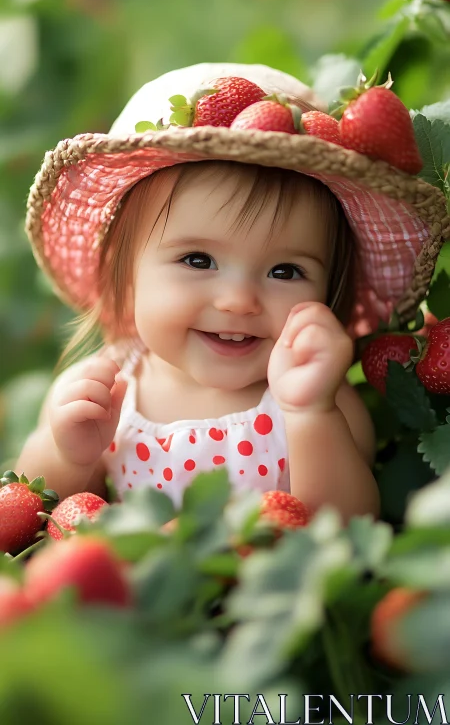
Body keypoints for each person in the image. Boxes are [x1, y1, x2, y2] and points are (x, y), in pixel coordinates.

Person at [16, 63, 447, 523]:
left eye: (285, 270)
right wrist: (68, 455)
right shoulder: (109, 389)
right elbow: (37, 517)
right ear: (126, 273)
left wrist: (309, 414)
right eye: (198, 261)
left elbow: (346, 523)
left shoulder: (320, 400)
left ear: (329, 287)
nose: (238, 300)